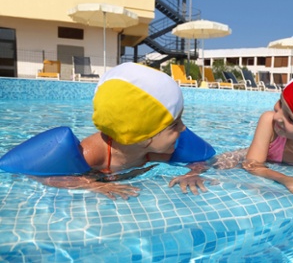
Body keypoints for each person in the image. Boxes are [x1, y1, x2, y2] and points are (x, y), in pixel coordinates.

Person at [9, 62, 213, 200]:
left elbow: (198, 161)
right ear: (143, 137)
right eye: (175, 124)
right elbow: (47, 176)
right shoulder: (91, 154)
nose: (184, 129)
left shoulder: (153, 150)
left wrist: (192, 173)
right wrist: (93, 185)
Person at [169, 68, 293, 201]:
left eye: (291, 119)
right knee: (210, 163)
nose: (278, 116)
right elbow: (252, 165)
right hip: (244, 158)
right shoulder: (269, 121)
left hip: (266, 163)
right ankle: (190, 174)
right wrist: (287, 179)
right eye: (281, 104)